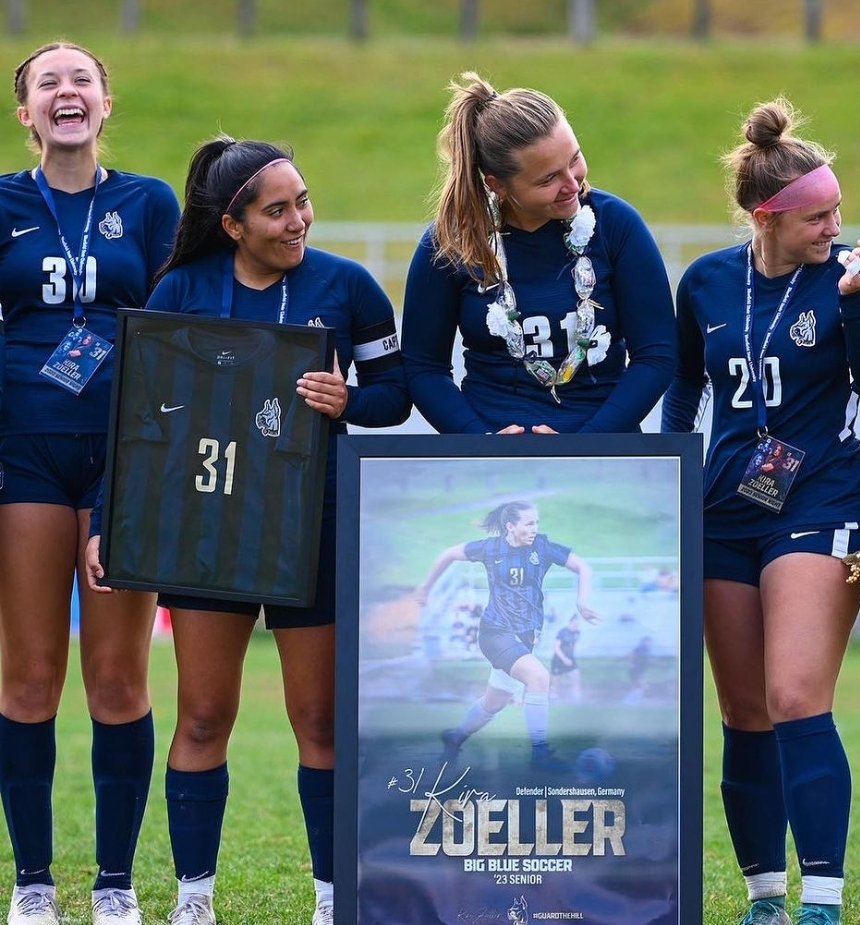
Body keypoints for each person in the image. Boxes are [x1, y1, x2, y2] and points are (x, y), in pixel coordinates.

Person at [85, 136, 410, 925]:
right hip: (210, 523)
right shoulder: (182, 289)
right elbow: (137, 414)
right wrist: (106, 515)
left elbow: (396, 393)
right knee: (202, 716)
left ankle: (332, 899)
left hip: (314, 523)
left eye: (303, 201)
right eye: (277, 210)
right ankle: (194, 898)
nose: (299, 219)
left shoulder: (348, 285)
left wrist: (349, 400)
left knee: (320, 719)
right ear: (233, 224)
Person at [662, 98, 860, 925]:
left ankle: (822, 901)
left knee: (796, 694)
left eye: (837, 210)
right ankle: (765, 897)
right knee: (744, 712)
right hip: (724, 508)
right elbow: (684, 380)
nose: (835, 226)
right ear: (767, 217)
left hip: (820, 496)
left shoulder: (851, 275)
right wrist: (673, 465)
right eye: (817, 216)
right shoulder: (706, 282)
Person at [0, 42, 180, 925]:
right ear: (26, 113)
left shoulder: (148, 202)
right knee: (30, 676)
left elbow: (175, 331)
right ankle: (32, 882)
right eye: (48, 83)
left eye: (82, 80)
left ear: (106, 104)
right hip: (24, 452)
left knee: (117, 678)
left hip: (126, 454)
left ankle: (115, 882)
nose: (66, 91)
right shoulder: (2, 201)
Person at [401, 71, 675, 435]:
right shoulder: (451, 242)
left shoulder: (616, 225)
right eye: (548, 179)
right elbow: (424, 367)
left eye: (574, 159)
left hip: (604, 452)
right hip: (490, 453)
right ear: (497, 185)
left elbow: (656, 354)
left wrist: (588, 445)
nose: (572, 183)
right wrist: (479, 442)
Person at [416, 501, 598, 769]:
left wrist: (582, 601)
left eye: (536, 522)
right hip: (495, 632)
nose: (534, 528)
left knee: (495, 702)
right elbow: (448, 554)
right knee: (539, 677)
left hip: (525, 637)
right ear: (510, 526)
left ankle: (455, 737)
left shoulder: (542, 547)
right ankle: (540, 754)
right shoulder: (490, 548)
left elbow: (583, 567)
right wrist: (425, 587)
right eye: (528, 523)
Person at [549, 614, 583, 702]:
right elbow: (556, 648)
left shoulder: (577, 633)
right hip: (558, 659)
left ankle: (576, 698)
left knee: (576, 676)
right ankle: (554, 697)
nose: (576, 626)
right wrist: (564, 659)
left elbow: (573, 645)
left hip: (570, 658)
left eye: (578, 624)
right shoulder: (562, 632)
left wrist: (571, 657)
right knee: (557, 681)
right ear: (570, 622)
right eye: (575, 624)